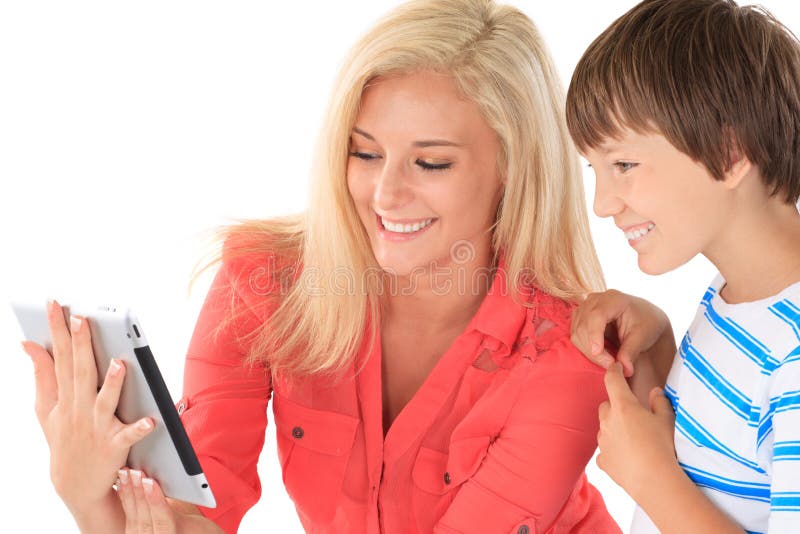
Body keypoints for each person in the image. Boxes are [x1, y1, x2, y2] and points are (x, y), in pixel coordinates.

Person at [21, 0, 622, 532]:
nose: (385, 195)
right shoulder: (261, 284)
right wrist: (90, 501)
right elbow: (195, 518)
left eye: (431, 163)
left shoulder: (567, 353)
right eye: (365, 153)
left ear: (514, 169)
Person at [564, 0, 800, 532]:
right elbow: (728, 459)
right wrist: (661, 345)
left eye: (623, 164)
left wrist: (650, 477)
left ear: (730, 152)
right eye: (595, 170)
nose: (602, 203)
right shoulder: (739, 292)